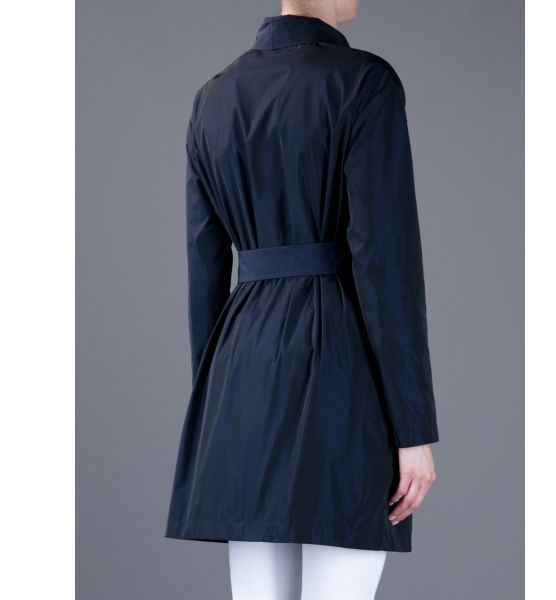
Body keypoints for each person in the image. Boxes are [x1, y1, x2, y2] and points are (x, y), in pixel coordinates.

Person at [165, 0, 440, 598]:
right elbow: (385, 260)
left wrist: (212, 408)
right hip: (341, 367)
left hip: (240, 380)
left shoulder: (213, 97)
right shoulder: (364, 82)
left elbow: (204, 267)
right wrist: (413, 430)